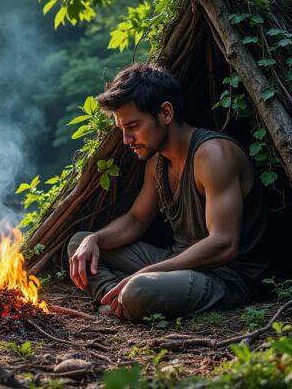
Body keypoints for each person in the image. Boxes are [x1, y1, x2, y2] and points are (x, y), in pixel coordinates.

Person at [67, 63, 269, 320]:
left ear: (165, 113)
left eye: (133, 126)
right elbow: (136, 220)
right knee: (80, 243)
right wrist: (93, 240)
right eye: (122, 130)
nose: (127, 140)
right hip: (176, 262)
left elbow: (224, 244)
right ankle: (113, 299)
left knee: (138, 289)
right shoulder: (157, 160)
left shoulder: (213, 155)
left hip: (224, 276)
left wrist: (147, 273)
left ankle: (123, 298)